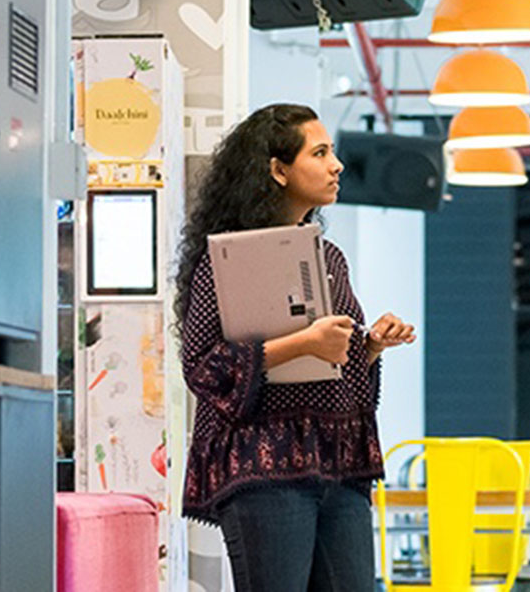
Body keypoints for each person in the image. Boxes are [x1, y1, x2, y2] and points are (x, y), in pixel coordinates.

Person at [175, 103, 415, 591]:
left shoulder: (329, 257)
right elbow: (202, 369)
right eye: (320, 152)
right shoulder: (225, 259)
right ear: (278, 170)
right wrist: (300, 342)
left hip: (340, 470)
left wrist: (369, 347)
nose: (337, 165)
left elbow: (338, 371)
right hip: (263, 470)